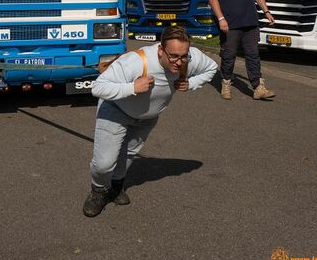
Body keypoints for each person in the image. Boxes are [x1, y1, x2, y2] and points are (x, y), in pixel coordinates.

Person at [82, 25, 218, 218]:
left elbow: (212, 67)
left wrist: (192, 83)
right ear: (160, 50)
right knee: (104, 163)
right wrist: (132, 87)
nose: (179, 63)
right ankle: (98, 191)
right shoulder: (136, 61)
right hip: (115, 110)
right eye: (173, 56)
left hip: (146, 118)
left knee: (127, 154)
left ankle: (116, 187)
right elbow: (98, 87)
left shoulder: (189, 57)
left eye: (183, 56)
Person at [208, 0, 276, 101]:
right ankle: (226, 82)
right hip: (230, 24)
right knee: (228, 55)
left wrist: (267, 12)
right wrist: (221, 19)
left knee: (253, 55)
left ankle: (258, 87)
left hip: (250, 23)